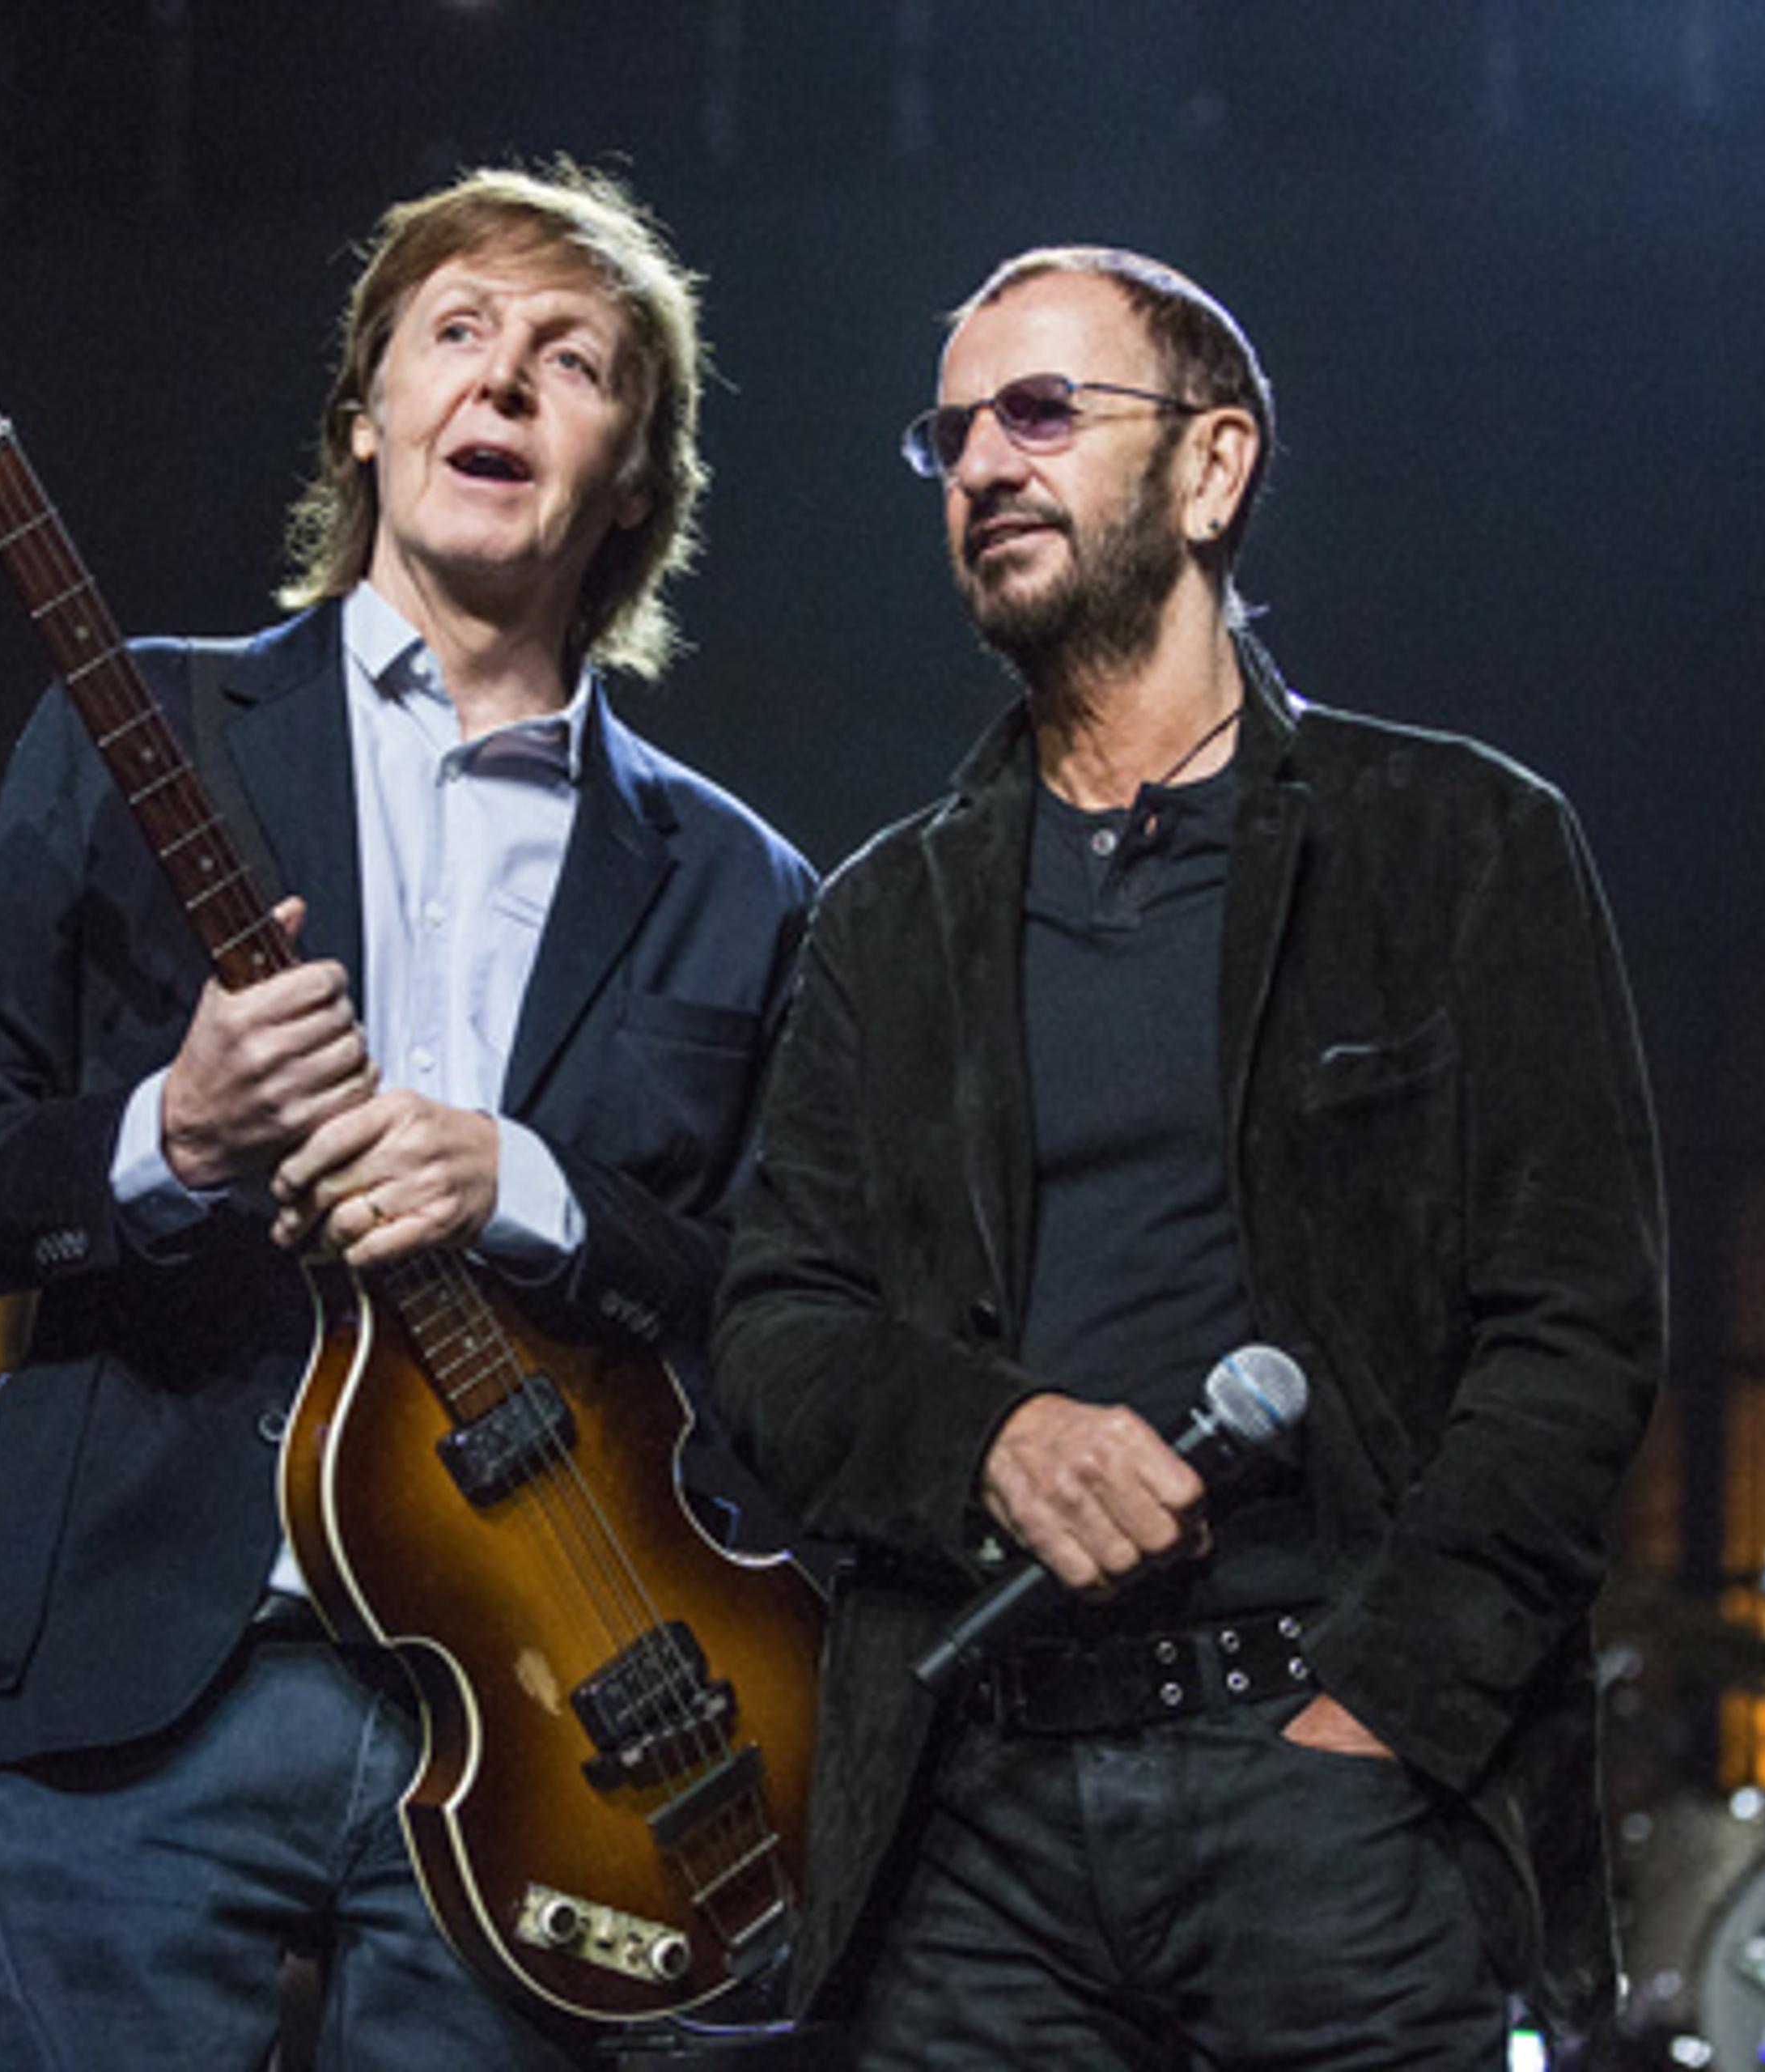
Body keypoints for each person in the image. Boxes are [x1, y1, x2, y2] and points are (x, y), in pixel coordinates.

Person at [0, 163, 816, 2070]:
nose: (504, 381)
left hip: (558, 1716)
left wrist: (533, 1185)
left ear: (633, 474)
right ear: (367, 416)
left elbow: (796, 1314)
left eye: (574, 361)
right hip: (149, 1684)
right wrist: (173, 1134)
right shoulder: (131, 727)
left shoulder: (743, 879)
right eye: (455, 333)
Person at [711, 246, 1665, 2068]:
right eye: (952, 432)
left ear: (1214, 467)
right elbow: (778, 1326)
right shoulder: (881, 916)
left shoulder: (1460, 844)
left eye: (1044, 409)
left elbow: (1576, 1329)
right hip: (974, 1817)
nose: (985, 460)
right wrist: (992, 1433)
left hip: (1327, 1787)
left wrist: (1383, 1717)